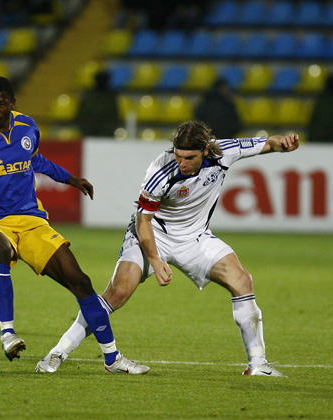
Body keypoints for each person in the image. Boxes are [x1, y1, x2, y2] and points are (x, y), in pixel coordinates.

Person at [0, 76, 148, 374]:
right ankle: (7, 334)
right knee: (0, 251)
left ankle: (112, 359)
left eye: (0, 104)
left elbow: (36, 160)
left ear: (12, 104)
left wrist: (70, 179)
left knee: (81, 282)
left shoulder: (27, 126)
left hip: (31, 221)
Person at [36, 120, 299, 377]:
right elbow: (143, 221)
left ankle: (258, 364)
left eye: (189, 158)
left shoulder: (225, 151)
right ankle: (58, 352)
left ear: (206, 150)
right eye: (178, 155)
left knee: (242, 280)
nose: (182, 163)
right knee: (117, 292)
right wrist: (154, 259)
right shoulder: (160, 172)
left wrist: (284, 143)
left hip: (195, 238)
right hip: (152, 235)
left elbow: (268, 143)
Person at [75, 70, 120, 137]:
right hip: (89, 132)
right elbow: (81, 116)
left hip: (106, 133)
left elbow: (115, 116)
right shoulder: (88, 95)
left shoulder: (112, 96)